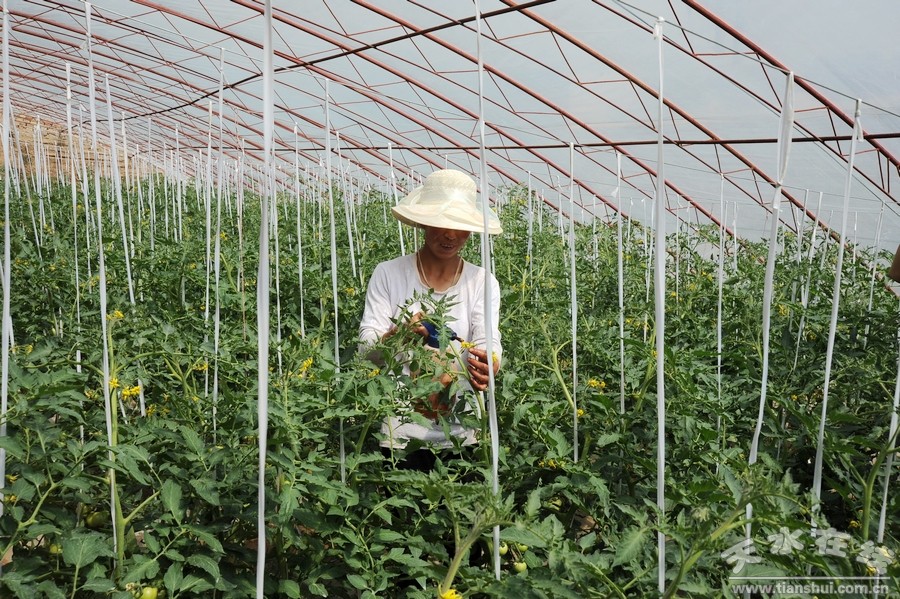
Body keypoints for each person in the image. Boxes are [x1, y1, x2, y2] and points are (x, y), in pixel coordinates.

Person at [358, 169, 503, 471]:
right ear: (424, 222)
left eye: (460, 225)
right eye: (441, 222)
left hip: (462, 433)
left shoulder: (482, 281)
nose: (450, 235)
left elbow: (487, 339)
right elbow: (366, 349)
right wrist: (398, 335)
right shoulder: (389, 274)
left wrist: (490, 362)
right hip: (401, 434)